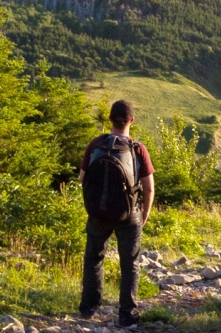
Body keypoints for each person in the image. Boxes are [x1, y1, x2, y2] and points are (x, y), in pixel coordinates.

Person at [78, 99, 155, 327]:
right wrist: (145, 212)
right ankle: (126, 315)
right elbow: (149, 186)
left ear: (110, 119)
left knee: (93, 258)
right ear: (132, 120)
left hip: (98, 212)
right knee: (130, 262)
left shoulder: (95, 144)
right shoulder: (137, 148)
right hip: (128, 213)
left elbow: (82, 178)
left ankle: (88, 308)